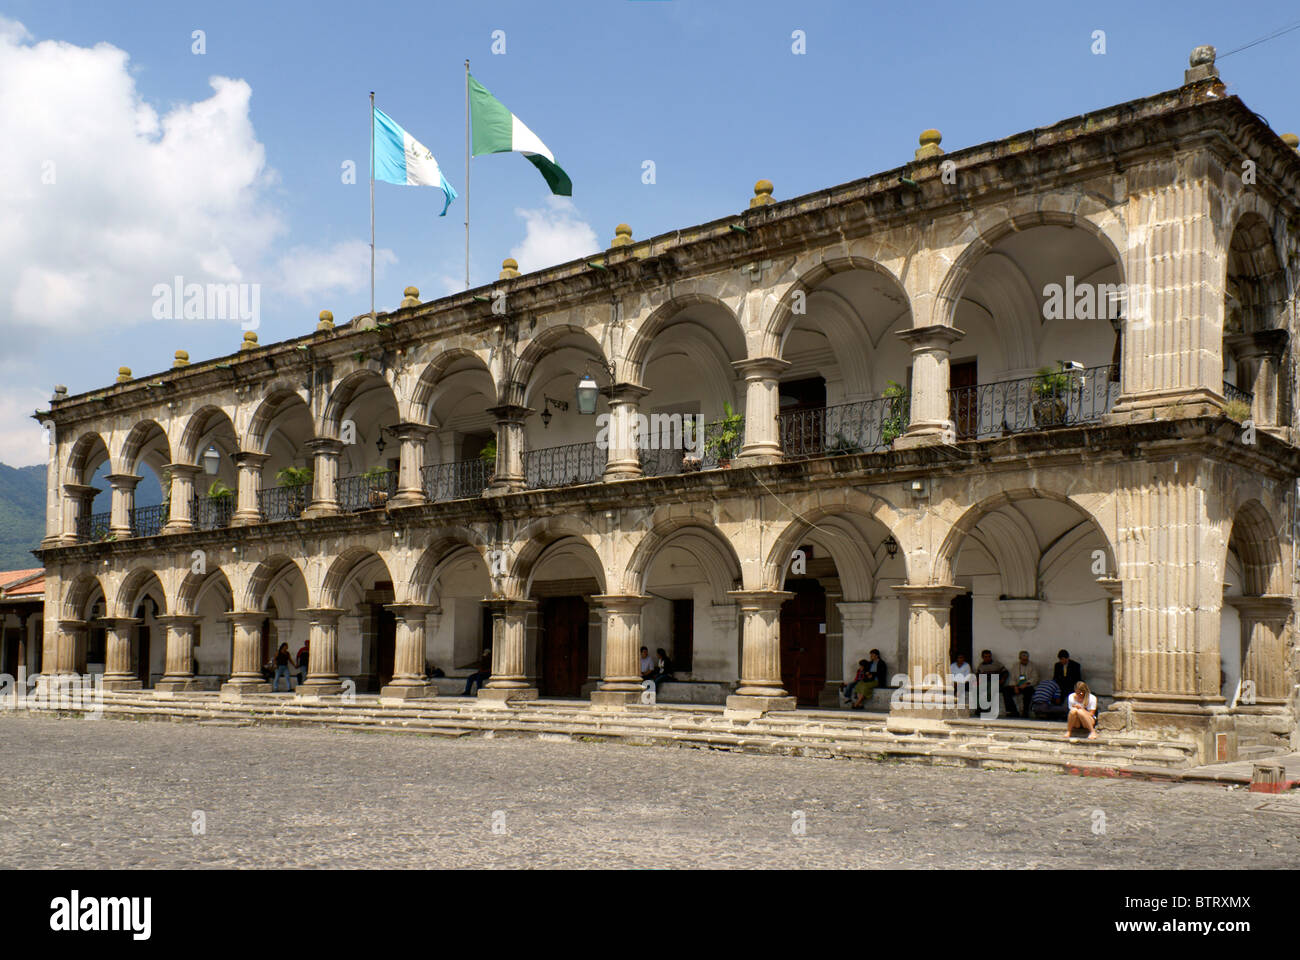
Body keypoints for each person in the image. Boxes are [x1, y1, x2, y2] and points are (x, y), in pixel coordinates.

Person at [1002, 650, 1039, 718]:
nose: (1025, 661)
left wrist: (1026, 684)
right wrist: (1015, 686)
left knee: (1029, 692)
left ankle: (1025, 712)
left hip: (1027, 686)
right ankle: (1012, 711)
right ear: (1020, 658)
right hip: (1018, 686)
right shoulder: (1015, 666)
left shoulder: (1032, 666)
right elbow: (1012, 678)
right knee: (1005, 690)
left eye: (1026, 659)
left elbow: (1035, 678)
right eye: (1023, 659)